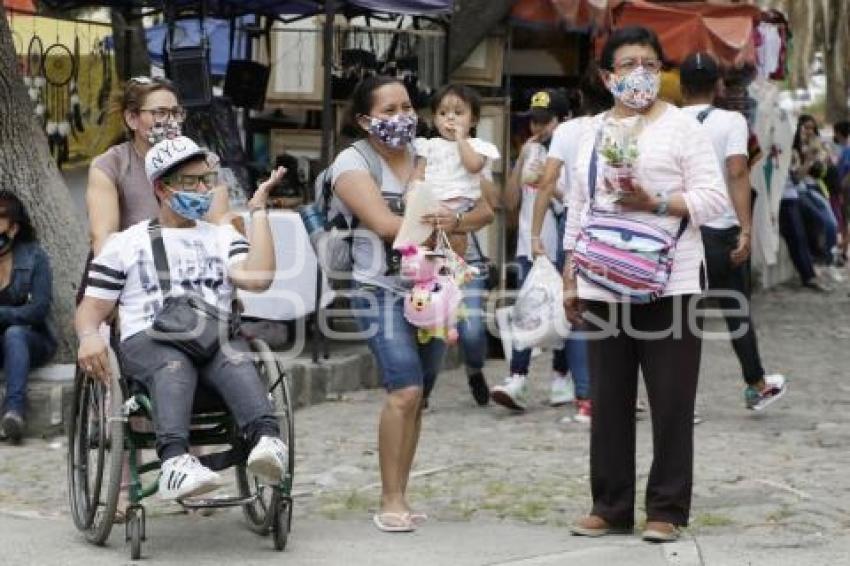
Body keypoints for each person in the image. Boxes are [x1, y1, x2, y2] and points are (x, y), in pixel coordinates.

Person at [563, 27, 728, 543]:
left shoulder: (682, 128)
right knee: (608, 400)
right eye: (629, 64)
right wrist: (571, 277)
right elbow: (578, 207)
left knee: (671, 400)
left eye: (651, 64)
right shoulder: (587, 132)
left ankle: (667, 509)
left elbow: (713, 200)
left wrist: (654, 202)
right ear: (607, 76)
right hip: (603, 281)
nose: (640, 73)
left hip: (671, 281)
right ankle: (609, 506)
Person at [76, 136, 288, 500]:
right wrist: (89, 337)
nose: (204, 190)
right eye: (191, 182)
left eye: (207, 180)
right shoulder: (125, 244)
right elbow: (90, 311)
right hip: (151, 340)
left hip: (212, 338)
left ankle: (267, 441)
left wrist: (259, 211)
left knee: (234, 354)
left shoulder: (221, 237)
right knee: (174, 362)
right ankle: (175, 461)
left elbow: (258, 279)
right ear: (161, 188)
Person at [332, 76, 494, 532]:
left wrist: (456, 217)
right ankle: (389, 498)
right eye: (388, 110)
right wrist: (445, 222)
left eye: (406, 106)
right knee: (403, 388)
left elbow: (486, 208)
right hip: (377, 287)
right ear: (365, 119)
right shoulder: (352, 162)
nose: (401, 116)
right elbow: (386, 225)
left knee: (419, 395)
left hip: (436, 288)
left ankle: (401, 493)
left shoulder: (433, 151)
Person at [679, 52, 788, 412]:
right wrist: (745, 228)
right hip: (719, 230)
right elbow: (738, 173)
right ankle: (756, 383)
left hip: (678, 231)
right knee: (736, 310)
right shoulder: (731, 122)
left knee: (680, 319)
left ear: (680, 87)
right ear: (719, 86)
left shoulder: (664, 122)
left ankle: (678, 403)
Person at [528, 70, 615, 423]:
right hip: (624, 225)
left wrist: (535, 235)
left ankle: (586, 398)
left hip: (579, 223)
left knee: (580, 311)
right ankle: (616, 393)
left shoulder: (568, 131)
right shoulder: (634, 126)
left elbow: (547, 182)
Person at [492, 89, 579, 412]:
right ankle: (518, 377)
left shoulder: (574, 154)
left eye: (545, 122)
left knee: (564, 312)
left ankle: (561, 375)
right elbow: (509, 202)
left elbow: (574, 202)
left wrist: (548, 182)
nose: (538, 129)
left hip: (563, 248)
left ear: (564, 120)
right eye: (534, 122)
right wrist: (519, 164)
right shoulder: (530, 150)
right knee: (528, 311)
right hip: (531, 246)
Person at [86, 76, 229, 256]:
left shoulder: (205, 162)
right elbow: (103, 242)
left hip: (193, 265)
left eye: (176, 112)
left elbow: (221, 229)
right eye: (160, 112)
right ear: (132, 118)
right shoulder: (110, 166)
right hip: (133, 269)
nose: (171, 121)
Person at [413, 83, 500, 254]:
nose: (450, 118)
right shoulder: (429, 145)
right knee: (422, 244)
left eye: (458, 113)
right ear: (435, 119)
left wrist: (461, 139)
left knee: (456, 242)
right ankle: (426, 278)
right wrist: (413, 194)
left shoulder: (477, 146)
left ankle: (451, 276)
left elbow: (474, 166)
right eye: (443, 113)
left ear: (473, 120)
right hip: (429, 204)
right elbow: (419, 173)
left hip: (459, 206)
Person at [0, 192, 56, 444]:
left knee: (15, 334)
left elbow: (38, 310)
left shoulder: (35, 257)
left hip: (33, 339)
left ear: (13, 228)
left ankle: (14, 413)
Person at [457, 175, 499, 406]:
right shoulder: (423, 161)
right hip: (429, 265)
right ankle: (421, 389)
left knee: (472, 332)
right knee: (428, 335)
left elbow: (494, 203)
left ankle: (474, 369)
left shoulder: (470, 165)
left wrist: (473, 170)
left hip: (468, 267)